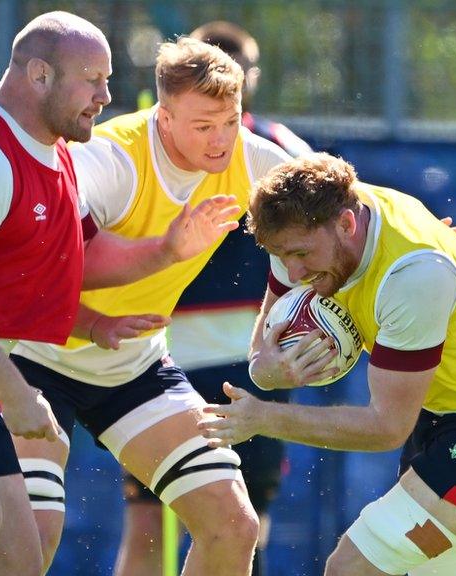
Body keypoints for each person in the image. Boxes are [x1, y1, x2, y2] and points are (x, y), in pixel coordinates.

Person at [0, 12, 236, 576]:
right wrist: (19, 394)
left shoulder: (55, 161)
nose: (107, 96)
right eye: (92, 79)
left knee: (14, 565)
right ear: (38, 75)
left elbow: (36, 286)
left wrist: (99, 324)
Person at [200, 152, 456, 576]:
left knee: (352, 569)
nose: (294, 271)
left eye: (301, 254)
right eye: (282, 255)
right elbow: (260, 358)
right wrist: (271, 370)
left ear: (346, 225)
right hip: (441, 407)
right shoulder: (300, 229)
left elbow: (387, 427)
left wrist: (263, 417)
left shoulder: (413, 273)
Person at [8, 36, 292, 575]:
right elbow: (56, 262)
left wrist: (408, 236)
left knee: (234, 526)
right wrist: (166, 250)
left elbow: (336, 204)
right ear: (163, 118)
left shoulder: (252, 152)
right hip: (34, 358)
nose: (220, 140)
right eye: (202, 125)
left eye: (229, 121)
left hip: (134, 367)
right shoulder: (109, 157)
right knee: (28, 537)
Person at [114, 21, 315, 576]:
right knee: (150, 527)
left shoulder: (276, 153)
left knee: (246, 523)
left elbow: (332, 221)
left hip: (251, 364)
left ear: (248, 79)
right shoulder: (141, 152)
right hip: (161, 363)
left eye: (232, 73)